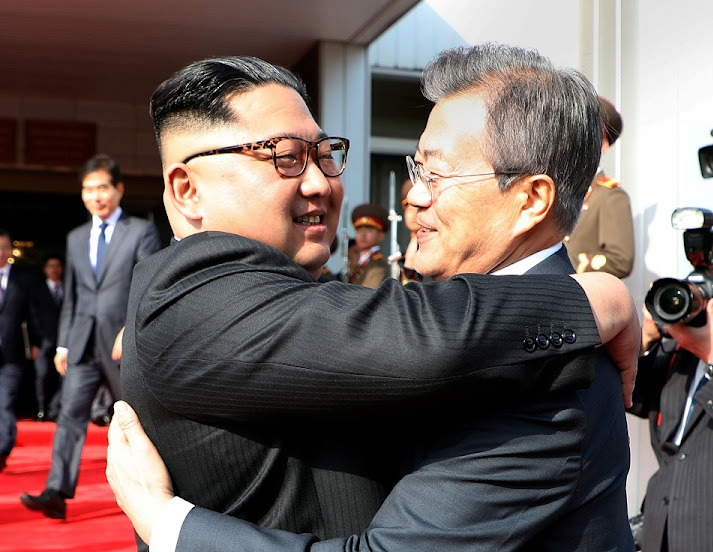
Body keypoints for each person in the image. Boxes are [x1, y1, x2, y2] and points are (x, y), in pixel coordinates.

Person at [106, 46, 639, 551]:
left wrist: (171, 527)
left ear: (531, 199)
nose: (413, 195)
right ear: (187, 190)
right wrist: (596, 299)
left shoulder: (546, 378)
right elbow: (409, 333)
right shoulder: (194, 296)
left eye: (436, 173)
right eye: (286, 158)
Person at [20, 154, 161, 519]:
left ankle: (156, 493)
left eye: (102, 187)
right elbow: (74, 294)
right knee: (69, 416)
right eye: (88, 189)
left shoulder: (140, 231)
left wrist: (131, 330)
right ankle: (56, 490)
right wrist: (64, 342)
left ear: (119, 189)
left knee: (134, 419)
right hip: (81, 342)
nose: (95, 196)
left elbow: (147, 287)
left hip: (119, 343)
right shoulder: (76, 237)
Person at [629, 225, 713, 551]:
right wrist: (645, 341)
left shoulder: (710, 350)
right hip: (662, 531)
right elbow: (631, 398)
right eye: (708, 279)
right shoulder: (681, 347)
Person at [565, 96, 634, 278]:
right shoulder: (559, 189)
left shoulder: (610, 196)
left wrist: (579, 263)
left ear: (602, 143)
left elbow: (621, 260)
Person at [0, 228, 39, 471]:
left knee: (4, 401)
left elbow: (33, 314)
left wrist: (35, 342)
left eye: (4, 247)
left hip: (12, 353)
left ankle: (2, 449)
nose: (0, 252)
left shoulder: (24, 279)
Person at [32, 254, 65, 422]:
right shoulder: (37, 290)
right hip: (42, 342)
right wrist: (34, 342)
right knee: (42, 375)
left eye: (58, 265)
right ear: (45, 269)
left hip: (64, 342)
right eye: (50, 266)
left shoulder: (68, 289)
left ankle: (56, 409)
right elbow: (32, 317)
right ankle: (41, 409)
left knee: (63, 376)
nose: (54, 269)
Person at [348, 202, 390, 288]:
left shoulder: (378, 264)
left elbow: (367, 293)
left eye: (369, 230)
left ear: (381, 235)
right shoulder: (359, 262)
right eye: (359, 230)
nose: (363, 234)